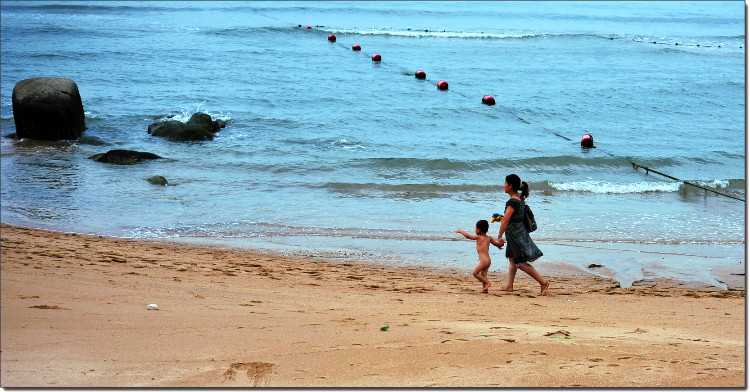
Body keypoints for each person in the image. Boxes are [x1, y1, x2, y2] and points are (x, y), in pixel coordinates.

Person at [496, 174, 550, 295]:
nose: (503, 185)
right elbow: (511, 218)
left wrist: (499, 235)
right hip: (518, 232)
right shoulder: (520, 199)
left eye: (505, 183)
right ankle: (509, 286)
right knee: (512, 259)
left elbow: (506, 220)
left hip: (515, 235)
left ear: (510, 186)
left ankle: (543, 282)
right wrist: (501, 218)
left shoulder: (512, 202)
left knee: (519, 263)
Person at [457, 219, 504, 293]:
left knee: (475, 273)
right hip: (488, 260)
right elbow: (497, 244)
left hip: (483, 261)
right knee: (483, 274)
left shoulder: (478, 237)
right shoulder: (489, 238)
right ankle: (485, 290)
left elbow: (468, 236)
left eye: (475, 228)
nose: (475, 230)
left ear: (478, 230)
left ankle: (487, 282)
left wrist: (460, 231)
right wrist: (501, 243)